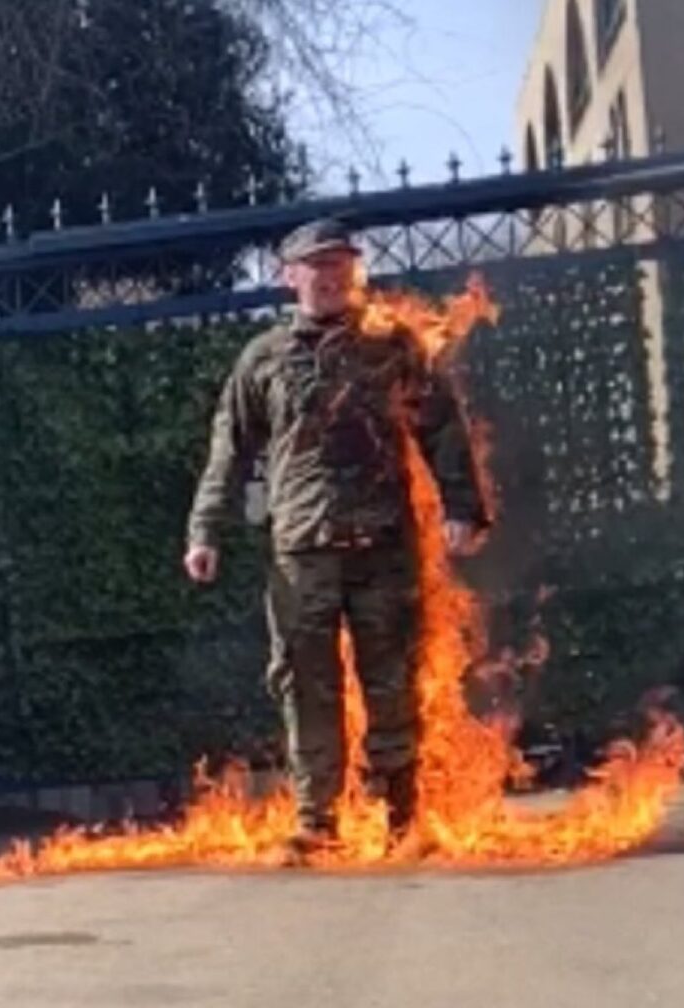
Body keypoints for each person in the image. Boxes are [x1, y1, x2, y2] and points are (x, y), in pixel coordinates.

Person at [184, 217, 489, 855]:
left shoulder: (392, 344)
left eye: (340, 264)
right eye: (316, 265)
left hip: (384, 544)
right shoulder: (263, 359)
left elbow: (442, 427)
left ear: (355, 271)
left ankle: (401, 816)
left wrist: (463, 507)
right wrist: (205, 531)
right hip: (301, 552)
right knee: (304, 681)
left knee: (392, 677)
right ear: (287, 276)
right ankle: (316, 820)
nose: (329, 276)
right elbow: (229, 450)